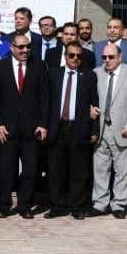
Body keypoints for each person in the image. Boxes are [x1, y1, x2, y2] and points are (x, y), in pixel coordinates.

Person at [0, 33, 48, 217]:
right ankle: (3, 206)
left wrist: (43, 124)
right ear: (12, 48)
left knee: (30, 170)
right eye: (21, 47)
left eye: (28, 47)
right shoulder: (1, 67)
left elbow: (45, 97)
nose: (25, 50)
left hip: (32, 128)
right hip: (8, 128)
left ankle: (25, 206)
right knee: (7, 170)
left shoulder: (39, 66)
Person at [90, 42, 127, 218]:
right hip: (101, 129)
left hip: (123, 130)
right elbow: (88, 98)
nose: (107, 60)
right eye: (104, 57)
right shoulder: (96, 73)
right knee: (100, 169)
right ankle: (100, 204)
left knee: (123, 170)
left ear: (120, 57)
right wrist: (90, 109)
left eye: (111, 57)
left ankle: (119, 205)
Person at [44, 41, 97, 220]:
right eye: (71, 55)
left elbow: (95, 104)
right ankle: (57, 206)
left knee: (78, 170)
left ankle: (76, 206)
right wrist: (44, 126)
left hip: (79, 128)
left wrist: (94, 130)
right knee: (55, 171)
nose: (75, 59)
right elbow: (46, 102)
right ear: (65, 56)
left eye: (79, 56)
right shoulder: (53, 74)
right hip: (57, 128)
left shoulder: (89, 76)